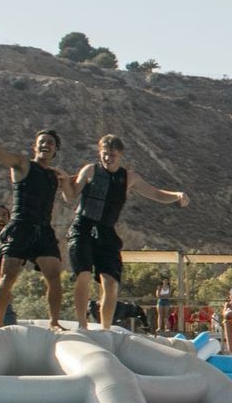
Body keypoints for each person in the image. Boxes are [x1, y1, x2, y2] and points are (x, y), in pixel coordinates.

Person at [0, 109, 70, 330]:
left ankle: (55, 322)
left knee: (54, 276)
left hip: (43, 230)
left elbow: (73, 192)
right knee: (8, 276)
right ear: (34, 147)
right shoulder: (22, 164)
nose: (46, 145)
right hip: (20, 226)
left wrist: (72, 179)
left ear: (56, 149)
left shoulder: (55, 175)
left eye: (50, 143)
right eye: (42, 142)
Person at [66, 134, 188, 331]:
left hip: (106, 232)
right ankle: (82, 324)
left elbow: (155, 193)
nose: (108, 158)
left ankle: (106, 328)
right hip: (83, 227)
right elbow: (71, 195)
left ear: (120, 155)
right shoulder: (90, 170)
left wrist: (176, 195)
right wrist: (64, 182)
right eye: (105, 154)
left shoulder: (129, 177)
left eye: (112, 155)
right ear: (100, 153)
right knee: (83, 274)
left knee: (111, 282)